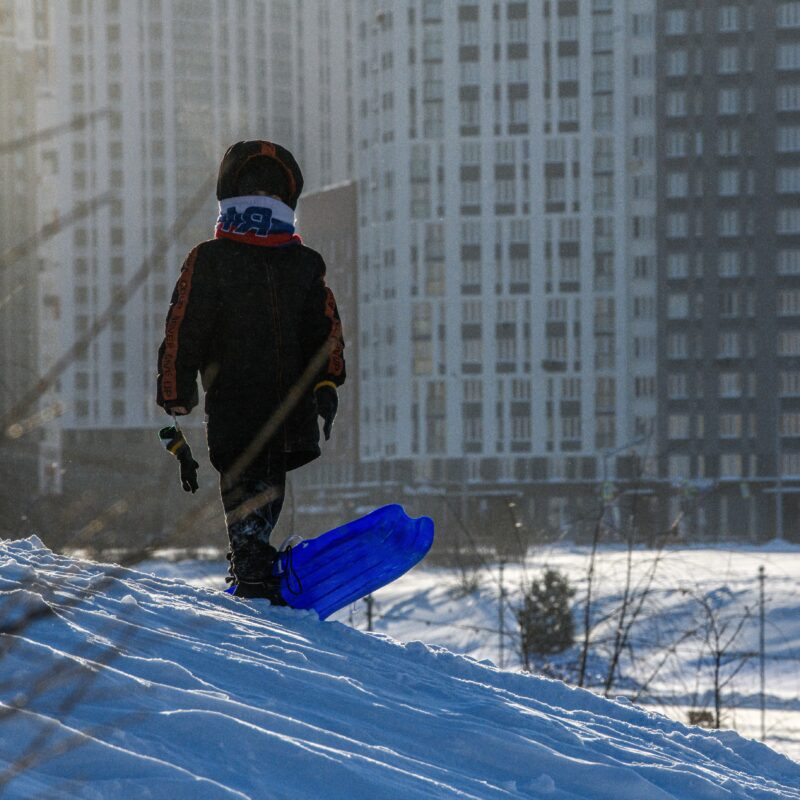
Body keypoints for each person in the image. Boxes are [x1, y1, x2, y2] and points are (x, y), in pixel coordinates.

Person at [156, 140, 345, 601]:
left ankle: (252, 557)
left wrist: (175, 391)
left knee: (258, 480)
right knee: (256, 478)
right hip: (267, 403)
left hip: (249, 403)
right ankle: (251, 559)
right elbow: (325, 331)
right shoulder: (293, 263)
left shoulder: (220, 260)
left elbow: (184, 328)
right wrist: (325, 384)